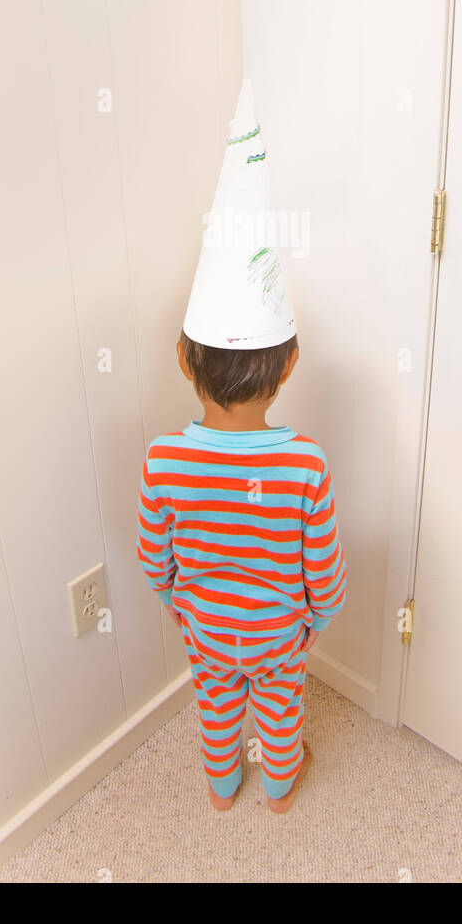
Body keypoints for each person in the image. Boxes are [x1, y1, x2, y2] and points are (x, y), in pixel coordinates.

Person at [137, 80, 346, 812]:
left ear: (182, 359)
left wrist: (184, 608)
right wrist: (310, 626)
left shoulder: (164, 461)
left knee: (216, 706)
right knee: (280, 715)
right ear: (289, 366)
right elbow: (327, 576)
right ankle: (280, 785)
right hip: (279, 634)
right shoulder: (305, 464)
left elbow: (154, 561)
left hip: (206, 628)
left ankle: (222, 786)